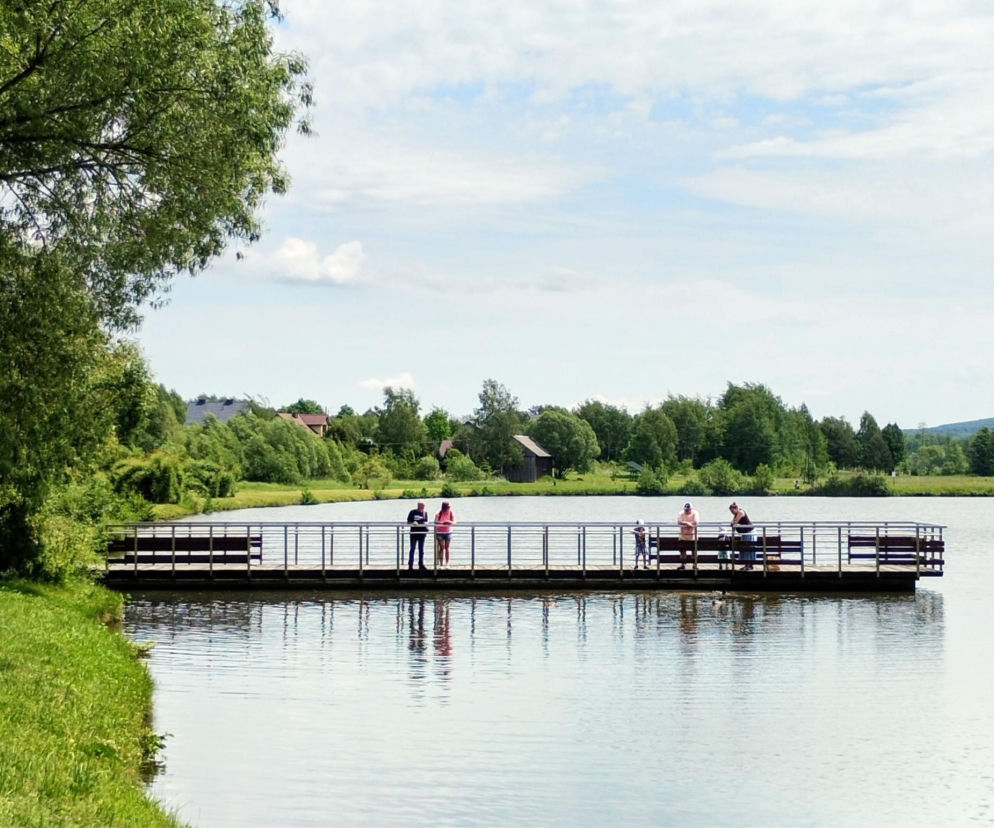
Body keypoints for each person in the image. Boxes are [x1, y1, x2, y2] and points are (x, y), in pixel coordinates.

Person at [729, 502, 756, 570]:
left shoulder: (740, 512)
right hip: (745, 533)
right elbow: (733, 523)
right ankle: (746, 565)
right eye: (731, 511)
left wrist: (733, 524)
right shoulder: (736, 514)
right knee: (744, 549)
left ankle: (749, 565)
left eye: (732, 511)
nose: (732, 513)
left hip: (749, 532)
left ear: (736, 508)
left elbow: (734, 522)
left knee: (749, 549)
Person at [406, 501, 429, 570]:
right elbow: (408, 521)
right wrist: (413, 522)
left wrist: (426, 523)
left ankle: (421, 564)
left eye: (424, 506)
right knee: (412, 549)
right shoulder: (412, 512)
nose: (423, 507)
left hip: (422, 534)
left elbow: (426, 521)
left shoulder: (425, 513)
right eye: (422, 505)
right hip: (414, 533)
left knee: (421, 549)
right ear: (418, 505)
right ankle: (410, 565)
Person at [677, 502, 699, 569]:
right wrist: (687, 523)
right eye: (685, 509)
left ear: (691, 509)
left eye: (688, 509)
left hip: (693, 536)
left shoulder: (695, 513)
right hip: (683, 537)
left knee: (694, 552)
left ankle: (694, 565)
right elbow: (679, 521)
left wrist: (687, 524)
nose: (686, 510)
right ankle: (683, 565)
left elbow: (696, 522)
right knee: (682, 551)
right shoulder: (681, 513)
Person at [434, 501, 456, 567]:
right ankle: (441, 564)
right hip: (440, 532)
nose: (449, 508)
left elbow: (454, 522)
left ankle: (447, 563)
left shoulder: (451, 513)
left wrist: (449, 522)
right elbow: (435, 521)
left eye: (449, 507)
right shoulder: (439, 513)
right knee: (441, 548)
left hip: (448, 532)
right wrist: (443, 523)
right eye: (448, 507)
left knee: (447, 548)